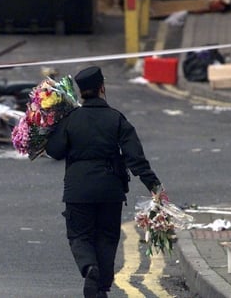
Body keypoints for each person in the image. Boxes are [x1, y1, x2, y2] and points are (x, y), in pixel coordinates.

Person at [45, 66, 162, 298]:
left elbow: (55, 151)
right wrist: (155, 187)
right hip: (111, 189)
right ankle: (101, 288)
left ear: (81, 92)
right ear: (102, 88)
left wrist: (52, 127)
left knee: (79, 235)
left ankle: (90, 269)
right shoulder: (116, 119)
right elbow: (135, 158)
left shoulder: (71, 119)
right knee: (107, 238)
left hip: (78, 190)